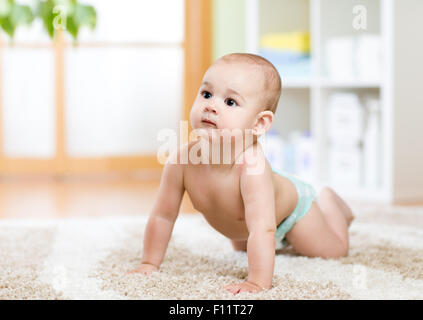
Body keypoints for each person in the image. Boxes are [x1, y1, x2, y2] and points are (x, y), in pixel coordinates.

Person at [129, 53, 354, 294]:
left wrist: (256, 282)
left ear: (259, 124)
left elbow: (263, 230)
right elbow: (163, 216)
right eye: (206, 94)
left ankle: (331, 202)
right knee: (244, 248)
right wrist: (149, 263)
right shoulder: (180, 161)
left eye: (230, 102)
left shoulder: (252, 168)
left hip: (291, 214)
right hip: (245, 225)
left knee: (334, 251)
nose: (211, 106)